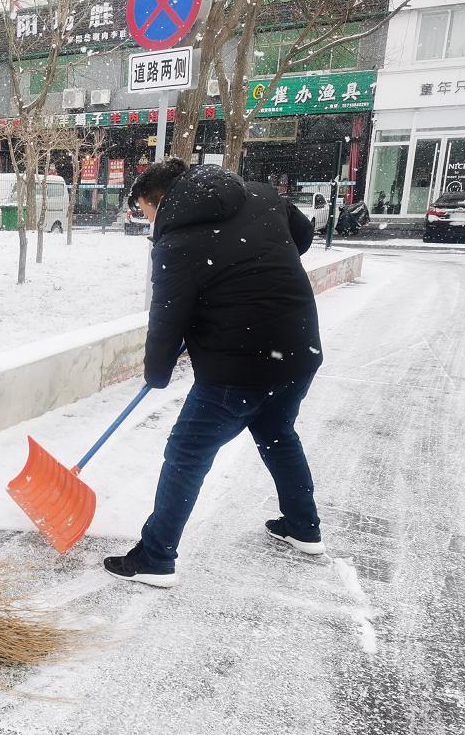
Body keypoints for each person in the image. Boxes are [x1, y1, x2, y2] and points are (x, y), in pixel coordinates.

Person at [104, 159, 322, 588]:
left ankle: (155, 557)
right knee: (278, 435)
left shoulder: (177, 242)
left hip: (237, 365)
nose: (148, 221)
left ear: (159, 199)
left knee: (187, 454)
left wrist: (156, 373)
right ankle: (303, 527)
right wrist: (254, 272)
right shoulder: (262, 195)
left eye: (145, 210)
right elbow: (303, 236)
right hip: (298, 349)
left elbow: (167, 317)